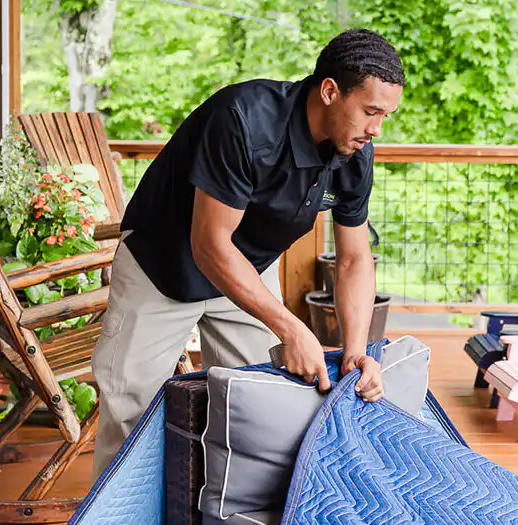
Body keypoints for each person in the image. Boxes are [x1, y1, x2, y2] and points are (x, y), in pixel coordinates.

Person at [90, 28, 406, 479]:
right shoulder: (241, 118)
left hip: (248, 272)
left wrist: (355, 352)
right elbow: (210, 245)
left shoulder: (356, 151)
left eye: (385, 116)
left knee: (261, 405)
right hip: (162, 267)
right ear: (331, 91)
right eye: (370, 111)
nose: (375, 129)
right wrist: (290, 326)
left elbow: (354, 259)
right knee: (131, 416)